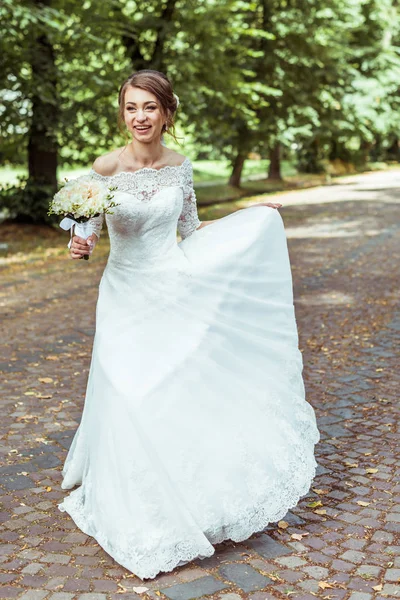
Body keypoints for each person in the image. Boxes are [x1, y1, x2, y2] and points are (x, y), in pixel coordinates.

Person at [58, 69, 320, 580]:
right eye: (131, 107)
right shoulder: (104, 168)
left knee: (170, 390)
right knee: (131, 389)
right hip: (124, 294)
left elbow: (192, 230)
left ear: (166, 113)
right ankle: (136, 500)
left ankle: (188, 490)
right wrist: (79, 243)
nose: (140, 117)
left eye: (149, 108)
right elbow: (83, 231)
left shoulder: (180, 167)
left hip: (173, 287)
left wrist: (250, 216)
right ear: (122, 112)